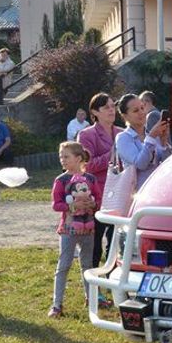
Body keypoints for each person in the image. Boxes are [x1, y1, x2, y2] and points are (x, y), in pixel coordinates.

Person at [49, 142, 100, 318]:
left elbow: (99, 201)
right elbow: (56, 204)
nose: (62, 160)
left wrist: (93, 204)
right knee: (63, 266)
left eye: (66, 157)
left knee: (88, 265)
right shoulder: (61, 180)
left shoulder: (91, 180)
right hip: (68, 229)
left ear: (78, 158)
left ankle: (91, 298)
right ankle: (57, 304)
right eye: (61, 157)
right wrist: (72, 205)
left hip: (89, 229)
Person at [78, 93, 121, 265]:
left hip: (118, 193)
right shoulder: (86, 134)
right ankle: (93, 286)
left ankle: (113, 279)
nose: (111, 110)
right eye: (106, 108)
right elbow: (86, 165)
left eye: (113, 106)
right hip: (96, 195)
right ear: (95, 112)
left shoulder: (122, 133)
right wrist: (111, 155)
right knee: (95, 243)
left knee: (115, 241)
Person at [116, 92, 172, 191]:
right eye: (135, 110)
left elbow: (167, 164)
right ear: (125, 116)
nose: (141, 113)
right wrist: (152, 137)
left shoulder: (150, 135)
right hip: (138, 194)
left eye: (142, 108)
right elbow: (140, 164)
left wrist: (164, 142)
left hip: (158, 189)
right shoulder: (123, 138)